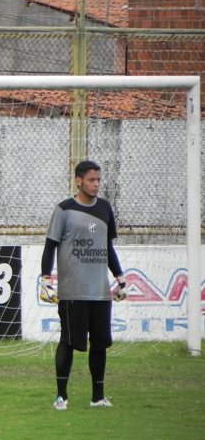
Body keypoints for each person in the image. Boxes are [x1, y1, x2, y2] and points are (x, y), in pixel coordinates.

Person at [40, 160, 128, 411]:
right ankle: (61, 397)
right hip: (72, 291)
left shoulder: (105, 209)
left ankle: (98, 397)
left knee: (100, 345)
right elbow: (50, 246)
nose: (96, 184)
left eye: (99, 180)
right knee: (68, 342)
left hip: (100, 293)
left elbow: (107, 247)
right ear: (78, 180)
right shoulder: (64, 209)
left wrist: (120, 278)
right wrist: (46, 279)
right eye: (92, 180)